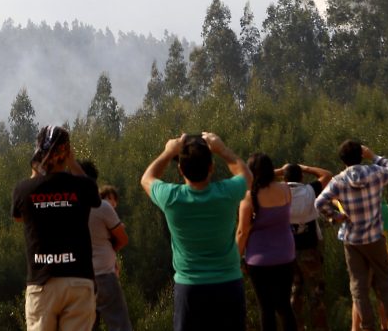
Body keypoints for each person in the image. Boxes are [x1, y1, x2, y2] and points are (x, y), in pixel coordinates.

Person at [141, 132, 252, 331]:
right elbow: (247, 176)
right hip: (228, 284)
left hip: (189, 288)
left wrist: (168, 152)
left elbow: (147, 178)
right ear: (212, 167)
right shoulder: (227, 193)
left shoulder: (171, 198)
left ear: (181, 169)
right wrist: (221, 148)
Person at [11, 125, 101, 331]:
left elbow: (18, 216)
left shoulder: (24, 190)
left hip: (42, 282)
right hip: (78, 279)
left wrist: (36, 170)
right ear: (67, 152)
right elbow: (94, 196)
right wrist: (72, 162)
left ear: (38, 152)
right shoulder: (83, 187)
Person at [314, 140, 388, 331]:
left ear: (343, 160)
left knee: (358, 286)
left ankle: (367, 327)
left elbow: (319, 203)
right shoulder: (375, 172)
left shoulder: (338, 181)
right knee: (386, 282)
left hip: (352, 240)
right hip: (375, 237)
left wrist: (335, 217)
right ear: (361, 155)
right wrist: (373, 156)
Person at [237, 153, 298, 331]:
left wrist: (234, 257)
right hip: (286, 254)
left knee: (266, 308)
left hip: (259, 259)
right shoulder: (286, 189)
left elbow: (242, 231)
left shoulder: (250, 197)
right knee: (284, 306)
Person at [79, 161, 133, 331]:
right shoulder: (102, 207)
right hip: (103, 275)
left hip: (77, 278)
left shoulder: (66, 208)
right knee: (119, 325)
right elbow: (123, 239)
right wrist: (111, 251)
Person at [279, 162, 332, 331]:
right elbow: (327, 174)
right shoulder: (309, 191)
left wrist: (280, 170)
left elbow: (255, 179)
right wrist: (306, 168)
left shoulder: (278, 194)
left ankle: (295, 327)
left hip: (287, 251)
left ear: (284, 178)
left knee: (294, 292)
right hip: (310, 249)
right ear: (301, 177)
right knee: (316, 294)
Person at [350, 196, 388, 331]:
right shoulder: (385, 208)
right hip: (379, 251)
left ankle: (355, 328)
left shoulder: (353, 206)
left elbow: (337, 203)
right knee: (383, 290)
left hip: (359, 253)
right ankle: (385, 325)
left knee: (359, 291)